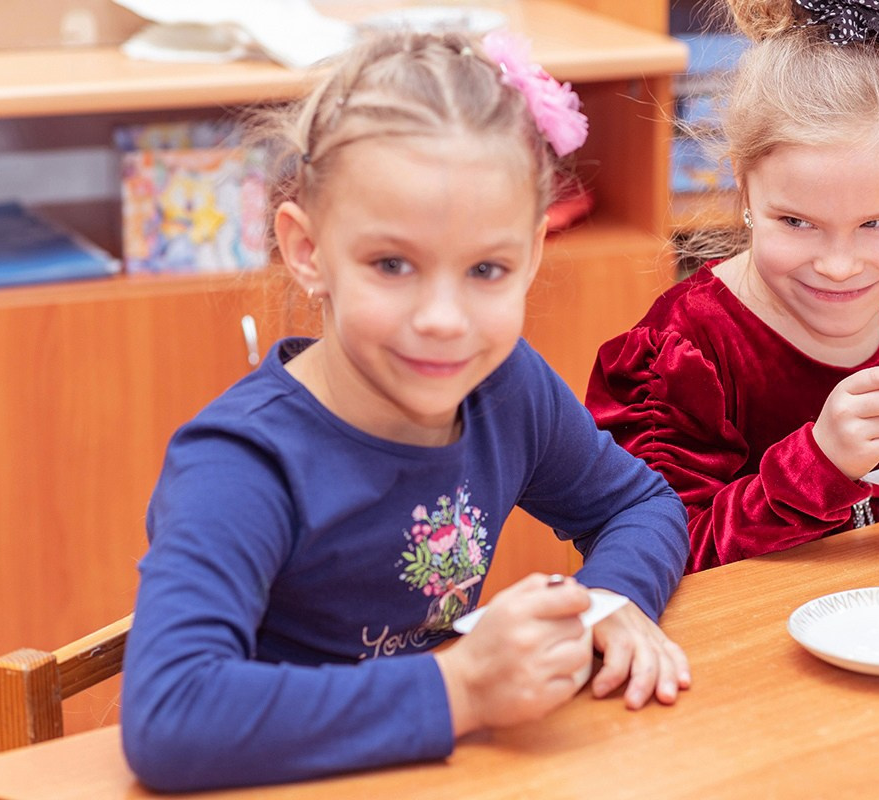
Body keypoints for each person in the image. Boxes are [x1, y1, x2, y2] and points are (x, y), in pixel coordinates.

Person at [121, 29, 690, 792]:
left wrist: (608, 600)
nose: (444, 320)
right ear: (307, 249)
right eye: (393, 265)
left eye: (487, 269)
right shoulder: (240, 462)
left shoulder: (504, 387)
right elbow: (171, 716)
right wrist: (459, 691)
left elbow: (639, 503)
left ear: (531, 254)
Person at [586, 0, 879, 573]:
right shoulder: (684, 354)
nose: (838, 266)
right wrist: (818, 463)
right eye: (797, 223)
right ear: (742, 184)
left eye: (878, 224)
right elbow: (667, 552)